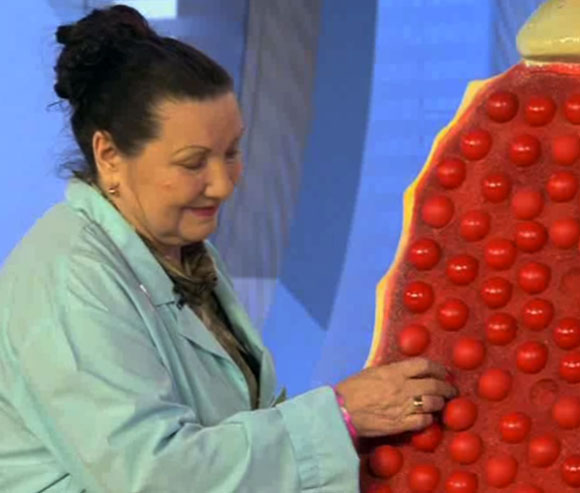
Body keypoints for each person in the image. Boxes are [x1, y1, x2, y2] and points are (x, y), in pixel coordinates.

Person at [0, 5, 456, 492]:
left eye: (232, 151)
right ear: (109, 156)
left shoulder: (182, 254)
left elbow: (235, 433)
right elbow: (153, 477)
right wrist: (339, 416)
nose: (222, 183)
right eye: (193, 163)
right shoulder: (69, 281)